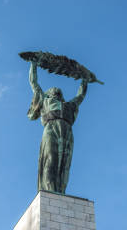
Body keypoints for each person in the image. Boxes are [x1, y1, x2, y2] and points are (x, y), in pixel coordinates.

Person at [27, 61, 87, 194]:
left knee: (64, 163)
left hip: (66, 131)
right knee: (51, 159)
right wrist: (34, 64)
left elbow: (80, 96)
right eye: (53, 89)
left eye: (58, 90)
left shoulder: (69, 105)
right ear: (48, 93)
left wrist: (84, 80)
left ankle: (60, 190)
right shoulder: (45, 100)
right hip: (51, 128)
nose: (56, 89)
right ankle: (49, 189)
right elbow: (34, 83)